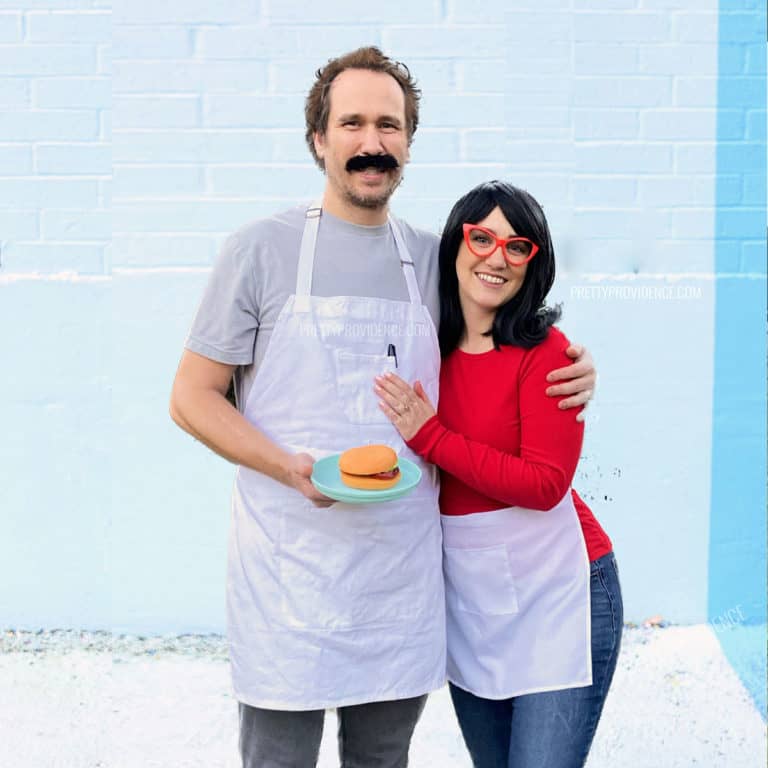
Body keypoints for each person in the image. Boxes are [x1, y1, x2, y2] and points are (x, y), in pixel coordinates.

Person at [169, 48, 596, 768]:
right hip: (289, 571)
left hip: (398, 576)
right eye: (353, 123)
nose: (372, 143)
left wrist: (575, 364)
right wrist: (289, 466)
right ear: (319, 139)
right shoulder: (260, 250)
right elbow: (191, 398)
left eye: (389, 126)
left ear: (408, 143)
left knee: (382, 757)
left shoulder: (434, 259)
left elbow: (510, 331)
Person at [375, 180, 622, 768]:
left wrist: (432, 438)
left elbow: (544, 485)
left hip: (564, 595)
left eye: (518, 247)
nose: (496, 257)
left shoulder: (547, 355)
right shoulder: (422, 349)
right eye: (481, 237)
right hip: (473, 604)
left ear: (533, 264)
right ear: (456, 245)